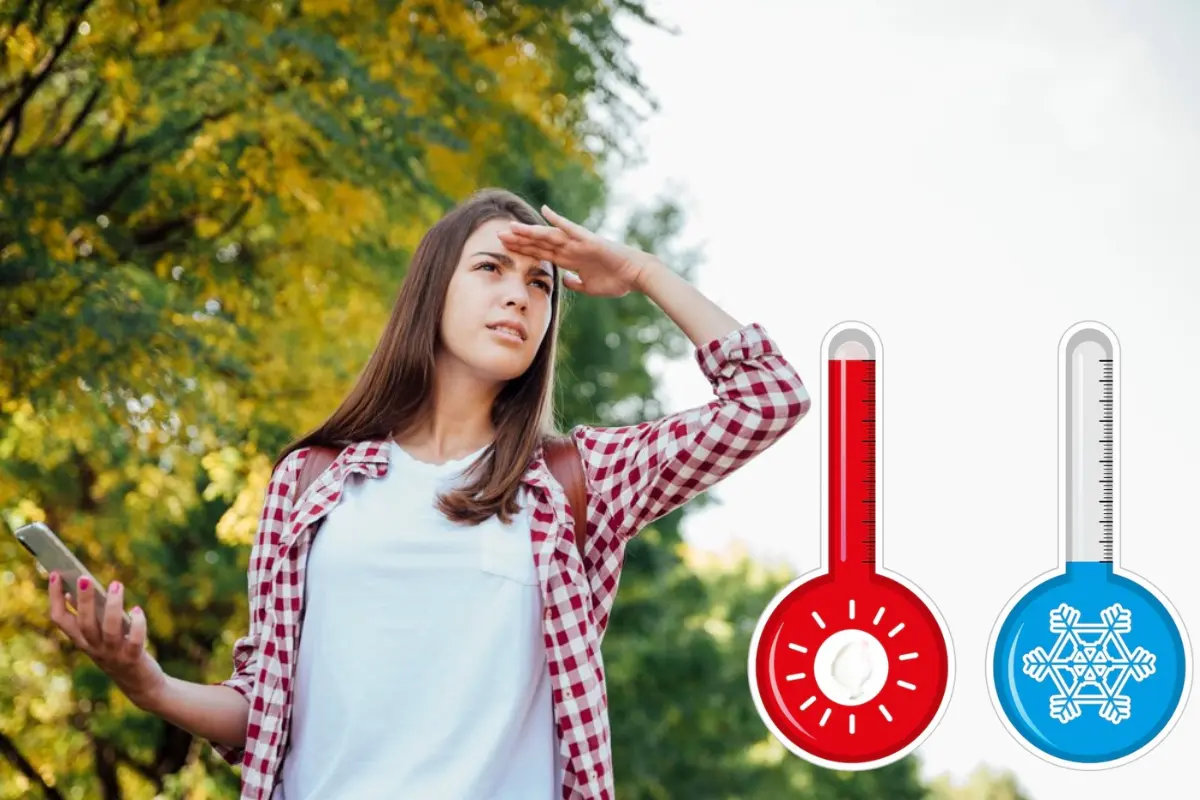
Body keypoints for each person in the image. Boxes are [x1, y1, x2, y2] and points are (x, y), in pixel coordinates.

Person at [45, 188, 811, 799]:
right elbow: (265, 708)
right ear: (431, 292)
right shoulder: (312, 483)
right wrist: (147, 684)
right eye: (490, 269)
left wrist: (641, 271)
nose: (518, 297)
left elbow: (770, 399)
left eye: (539, 283)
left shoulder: (575, 480)